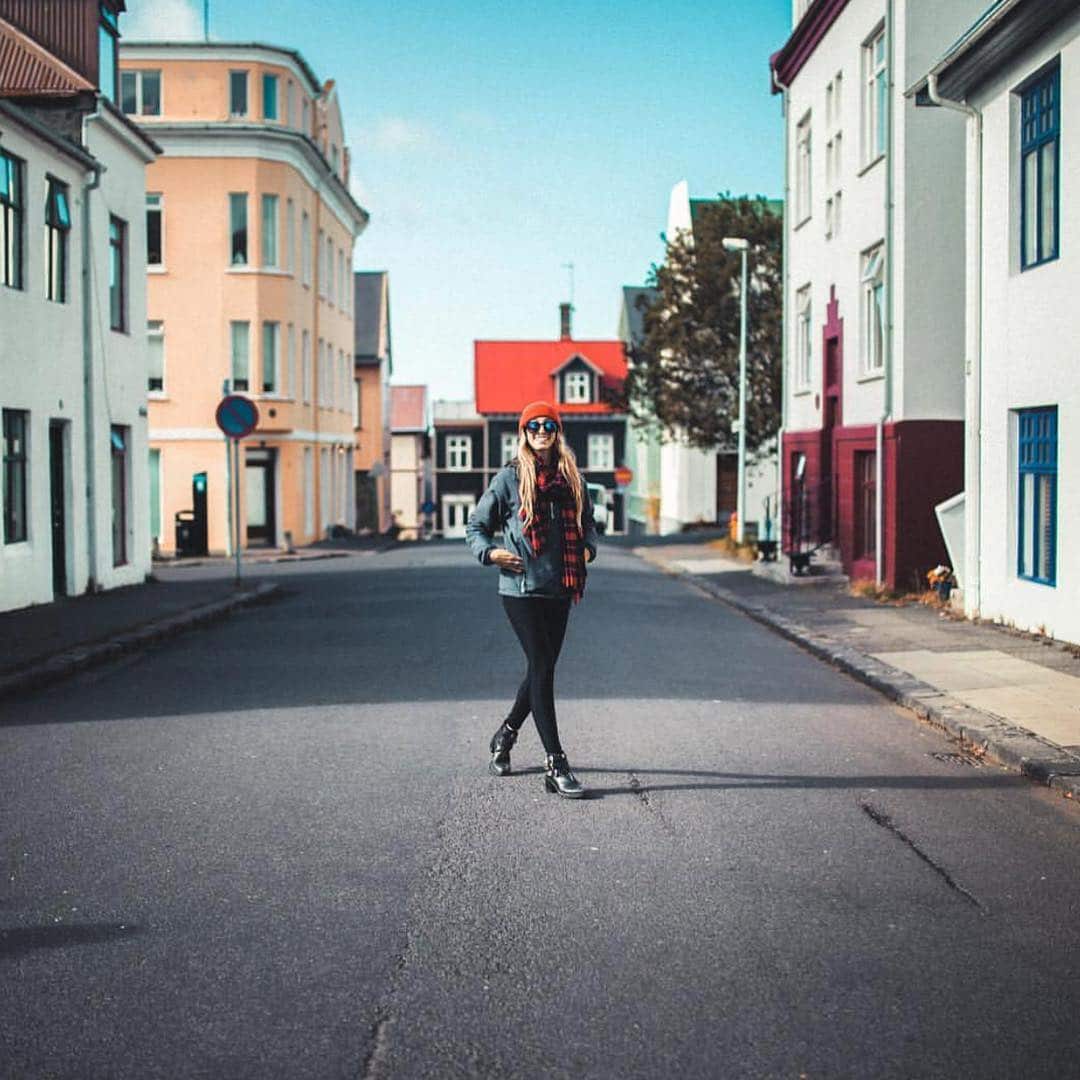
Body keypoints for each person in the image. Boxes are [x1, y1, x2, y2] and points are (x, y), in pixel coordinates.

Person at [465, 401, 598, 799]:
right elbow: (477, 526)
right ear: (523, 433)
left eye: (548, 426)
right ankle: (555, 761)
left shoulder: (573, 480)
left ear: (557, 432)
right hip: (520, 589)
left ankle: (505, 735)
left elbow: (588, 525)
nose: (541, 431)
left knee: (540, 671)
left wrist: (588, 550)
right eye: (533, 426)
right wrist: (489, 553)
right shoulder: (508, 479)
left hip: (560, 587)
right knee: (542, 665)